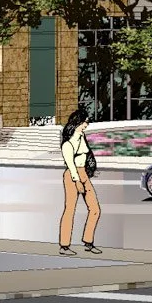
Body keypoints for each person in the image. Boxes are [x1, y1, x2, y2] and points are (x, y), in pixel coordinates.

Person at [55, 107, 103, 256]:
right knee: (70, 210)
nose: (86, 125)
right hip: (72, 175)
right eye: (84, 122)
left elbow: (87, 156)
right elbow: (70, 165)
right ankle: (64, 245)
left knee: (95, 208)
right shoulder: (67, 145)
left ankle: (88, 241)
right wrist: (77, 181)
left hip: (83, 173)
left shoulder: (82, 138)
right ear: (77, 123)